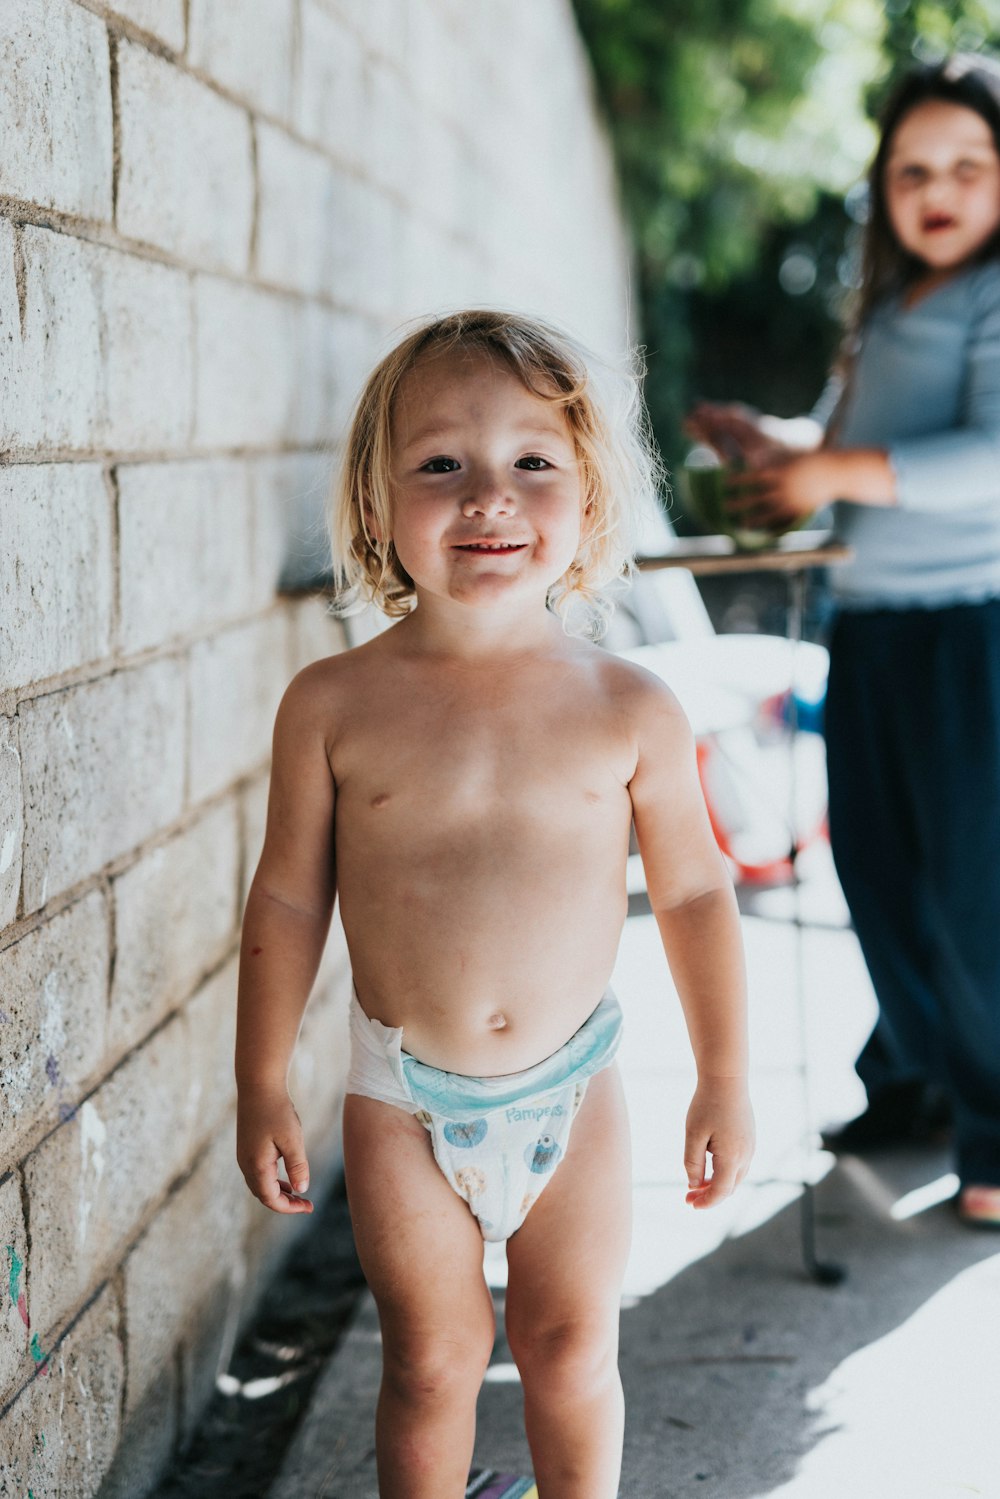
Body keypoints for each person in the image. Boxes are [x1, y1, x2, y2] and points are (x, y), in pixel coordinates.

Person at [235, 309, 755, 1497]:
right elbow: (284, 895)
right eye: (440, 465)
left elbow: (692, 891)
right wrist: (259, 1078)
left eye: (533, 461)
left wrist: (722, 1075)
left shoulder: (629, 705)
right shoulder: (332, 703)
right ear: (376, 504)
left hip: (575, 1089)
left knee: (572, 1348)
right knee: (430, 1357)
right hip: (400, 1096)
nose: (488, 496)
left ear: (588, 501)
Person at [687, 54, 1000, 1229]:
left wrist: (826, 464)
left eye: (969, 166)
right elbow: (836, 452)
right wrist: (772, 445)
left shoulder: (991, 296)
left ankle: (992, 1125)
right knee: (874, 870)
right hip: (866, 627)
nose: (938, 188)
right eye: (913, 167)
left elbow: (987, 458)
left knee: (973, 894)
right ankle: (917, 1076)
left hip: (969, 630)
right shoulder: (887, 307)